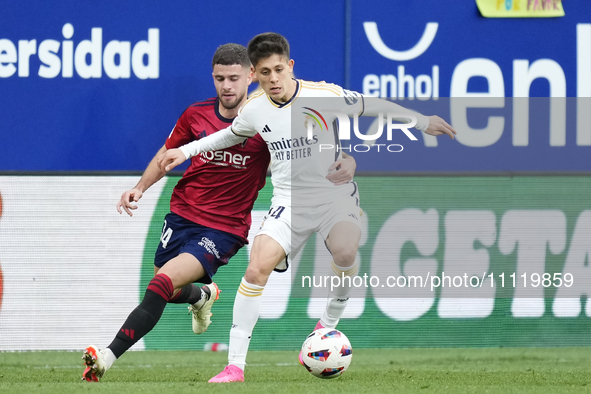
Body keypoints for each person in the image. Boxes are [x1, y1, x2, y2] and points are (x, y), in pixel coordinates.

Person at [158, 32, 457, 383]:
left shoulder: (323, 95)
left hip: (334, 197)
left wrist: (422, 121)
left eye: (279, 70)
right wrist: (187, 150)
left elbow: (372, 106)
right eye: (265, 72)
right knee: (256, 270)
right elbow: (228, 136)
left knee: (346, 251)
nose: (273, 79)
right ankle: (235, 366)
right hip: (288, 201)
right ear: (254, 72)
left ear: (291, 66)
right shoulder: (254, 109)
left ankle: (327, 325)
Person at [81, 43, 357, 382]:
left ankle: (106, 357)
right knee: (166, 288)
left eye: (234, 78)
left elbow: (310, 156)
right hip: (182, 215)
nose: (226, 86)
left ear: (250, 77)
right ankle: (202, 295)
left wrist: (345, 163)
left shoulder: (266, 119)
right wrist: (141, 187)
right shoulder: (195, 114)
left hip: (223, 229)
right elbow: (168, 153)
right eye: (219, 78)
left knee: (161, 283)